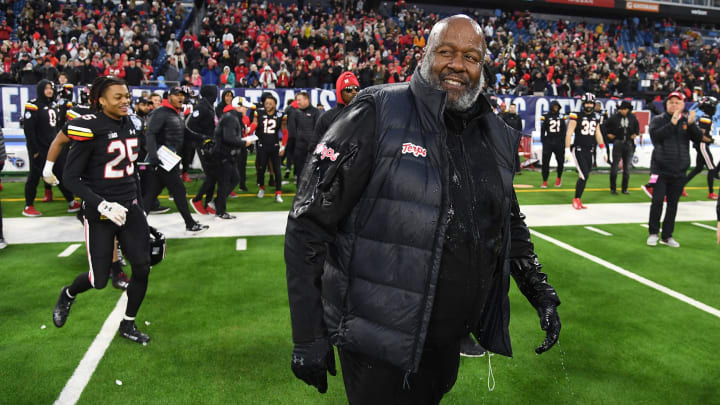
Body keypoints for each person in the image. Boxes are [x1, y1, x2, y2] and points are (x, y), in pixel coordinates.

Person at [285, 15, 561, 404]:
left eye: (470, 56)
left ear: (482, 66)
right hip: (376, 343)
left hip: (445, 341)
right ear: (425, 55)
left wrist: (541, 293)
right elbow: (307, 223)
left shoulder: (494, 133)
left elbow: (507, 223)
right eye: (445, 52)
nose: (457, 65)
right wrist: (308, 333)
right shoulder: (377, 111)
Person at [52, 76, 151, 343]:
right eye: (118, 97)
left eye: (127, 96)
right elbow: (71, 178)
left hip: (129, 207)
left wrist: (142, 212)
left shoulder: (130, 123)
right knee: (98, 280)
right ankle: (68, 294)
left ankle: (128, 323)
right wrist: (102, 204)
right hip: (100, 213)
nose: (125, 101)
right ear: (101, 100)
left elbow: (132, 175)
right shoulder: (89, 127)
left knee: (142, 267)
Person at [143, 86, 208, 233]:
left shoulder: (175, 113)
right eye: (177, 95)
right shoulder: (160, 112)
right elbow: (150, 134)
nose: (181, 98)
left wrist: (202, 138)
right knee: (178, 190)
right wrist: (153, 156)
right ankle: (190, 223)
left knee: (151, 194)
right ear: (170, 96)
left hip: (168, 159)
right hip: (162, 159)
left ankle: (136, 225)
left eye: (183, 95)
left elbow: (183, 131)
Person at [646, 92, 704, 248]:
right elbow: (655, 137)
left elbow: (699, 139)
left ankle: (667, 236)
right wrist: (672, 123)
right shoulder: (658, 120)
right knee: (657, 201)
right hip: (659, 169)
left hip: (679, 170)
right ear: (666, 104)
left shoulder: (686, 122)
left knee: (673, 205)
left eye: (677, 102)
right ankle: (653, 233)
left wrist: (692, 125)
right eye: (671, 102)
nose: (674, 105)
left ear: (683, 105)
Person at [23, 79, 79, 216]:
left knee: (60, 174)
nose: (49, 91)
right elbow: (29, 131)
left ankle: (71, 202)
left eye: (51, 88)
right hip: (39, 148)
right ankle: (28, 206)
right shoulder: (33, 105)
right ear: (41, 89)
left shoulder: (54, 105)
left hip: (52, 147)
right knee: (34, 177)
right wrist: (35, 151)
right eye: (46, 88)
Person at [212, 96, 254, 219]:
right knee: (225, 182)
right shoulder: (231, 118)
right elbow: (228, 138)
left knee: (235, 178)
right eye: (245, 107)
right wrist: (243, 142)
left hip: (226, 154)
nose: (247, 110)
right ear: (239, 107)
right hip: (223, 154)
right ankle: (220, 211)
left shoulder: (232, 117)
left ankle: (218, 202)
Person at [565, 92, 606, 209]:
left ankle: (578, 199)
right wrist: (567, 149)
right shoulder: (576, 115)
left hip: (590, 149)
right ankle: (576, 199)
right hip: (578, 149)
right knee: (584, 175)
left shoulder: (596, 116)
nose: (588, 105)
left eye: (590, 103)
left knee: (586, 175)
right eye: (587, 103)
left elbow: (598, 133)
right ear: (583, 104)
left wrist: (603, 148)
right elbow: (569, 133)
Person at [188, 85, 220, 215]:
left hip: (210, 145)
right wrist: (203, 138)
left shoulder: (208, 106)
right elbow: (190, 126)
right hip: (203, 146)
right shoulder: (201, 107)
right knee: (211, 174)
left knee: (213, 174)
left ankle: (208, 203)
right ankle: (197, 200)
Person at [684, 96, 719, 200]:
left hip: (701, 144)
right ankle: (711, 193)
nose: (715, 109)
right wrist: (714, 141)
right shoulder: (706, 118)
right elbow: (702, 136)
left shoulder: (705, 117)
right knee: (712, 168)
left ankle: (680, 186)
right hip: (702, 145)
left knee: (698, 168)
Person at [254, 93, 285, 203]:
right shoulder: (259, 113)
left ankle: (278, 193)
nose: (267, 105)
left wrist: (283, 146)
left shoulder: (281, 115)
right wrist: (249, 129)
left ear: (275, 105)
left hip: (275, 146)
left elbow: (285, 132)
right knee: (261, 169)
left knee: (277, 170)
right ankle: (262, 188)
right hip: (262, 145)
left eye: (270, 103)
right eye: (266, 103)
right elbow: (254, 124)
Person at [606, 100, 639, 195]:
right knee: (615, 167)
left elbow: (637, 128)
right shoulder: (614, 118)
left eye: (624, 109)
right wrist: (609, 134)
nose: (623, 111)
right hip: (618, 142)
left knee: (627, 168)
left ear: (628, 109)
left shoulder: (633, 118)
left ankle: (625, 188)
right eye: (621, 109)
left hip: (629, 143)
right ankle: (613, 188)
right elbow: (605, 127)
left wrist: (635, 134)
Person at [314, 72, 360, 138]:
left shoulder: (365, 114)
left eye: (356, 88)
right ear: (340, 93)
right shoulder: (327, 117)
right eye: (348, 89)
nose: (354, 92)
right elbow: (315, 144)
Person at [288, 91, 320, 182]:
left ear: (307, 100)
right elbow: (292, 131)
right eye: (297, 100)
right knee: (299, 175)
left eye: (299, 100)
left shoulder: (316, 112)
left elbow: (318, 130)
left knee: (312, 175)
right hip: (299, 149)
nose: (297, 102)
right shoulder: (295, 112)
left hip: (312, 149)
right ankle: (299, 194)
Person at [539, 100, 567, 188]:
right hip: (549, 142)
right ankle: (544, 180)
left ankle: (559, 178)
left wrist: (562, 141)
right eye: (554, 106)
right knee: (545, 162)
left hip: (559, 142)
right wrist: (544, 140)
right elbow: (542, 130)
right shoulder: (546, 116)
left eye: (557, 106)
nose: (556, 108)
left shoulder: (562, 116)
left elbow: (564, 130)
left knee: (560, 161)